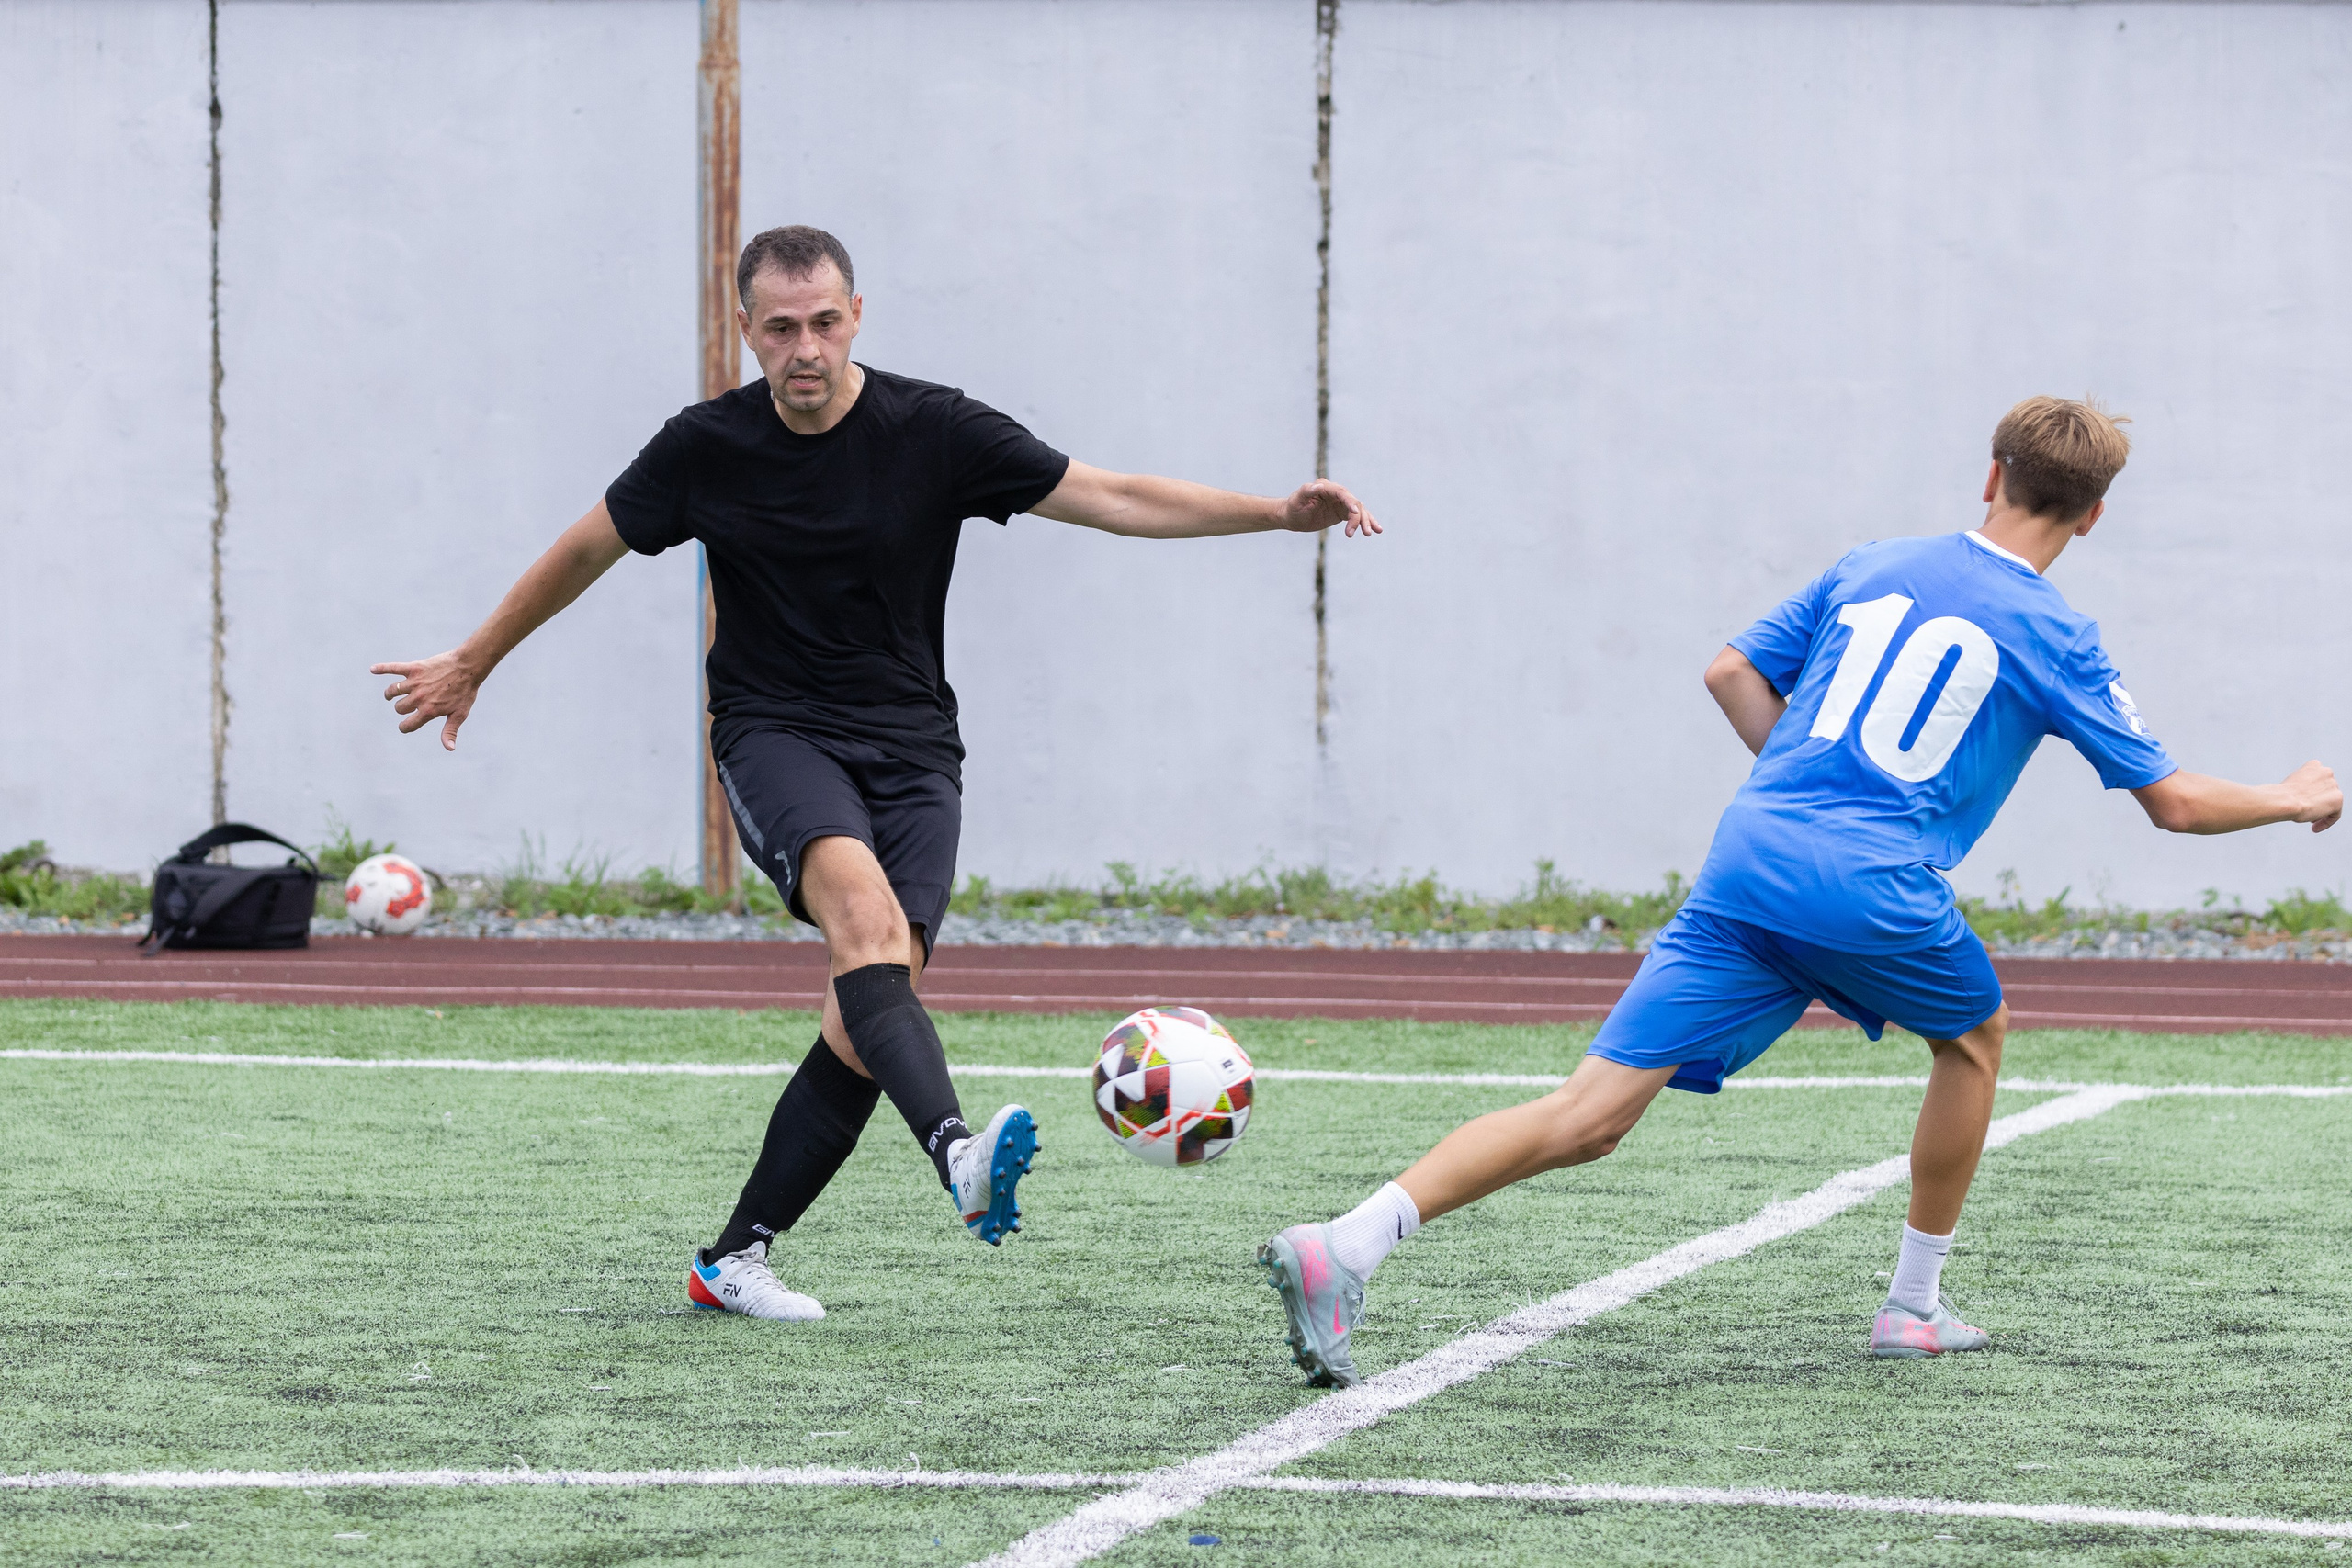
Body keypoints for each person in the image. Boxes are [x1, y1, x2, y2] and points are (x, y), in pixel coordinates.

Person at [375, 225, 1380, 1322]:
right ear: (745, 328)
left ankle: (732, 1260)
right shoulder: (704, 448)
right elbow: (585, 548)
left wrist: (1275, 515)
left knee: (867, 1007)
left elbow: (1114, 495)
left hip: (914, 748)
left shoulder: (935, 430)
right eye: (779, 328)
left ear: (856, 315)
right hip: (774, 731)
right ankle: (955, 1152)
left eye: (823, 322)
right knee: (865, 927)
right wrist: (473, 660)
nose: (803, 348)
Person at [1259, 396, 2337, 1385]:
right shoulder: (2056, 631)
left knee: (1587, 1115)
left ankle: (1345, 1243)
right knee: (1973, 1039)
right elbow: (2174, 804)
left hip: (1751, 857)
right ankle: (1912, 1307)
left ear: (1989, 475)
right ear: (2093, 516)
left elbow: (1728, 670)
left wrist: (1805, 790)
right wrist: (2290, 798)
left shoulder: (1873, 563)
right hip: (1870, 884)